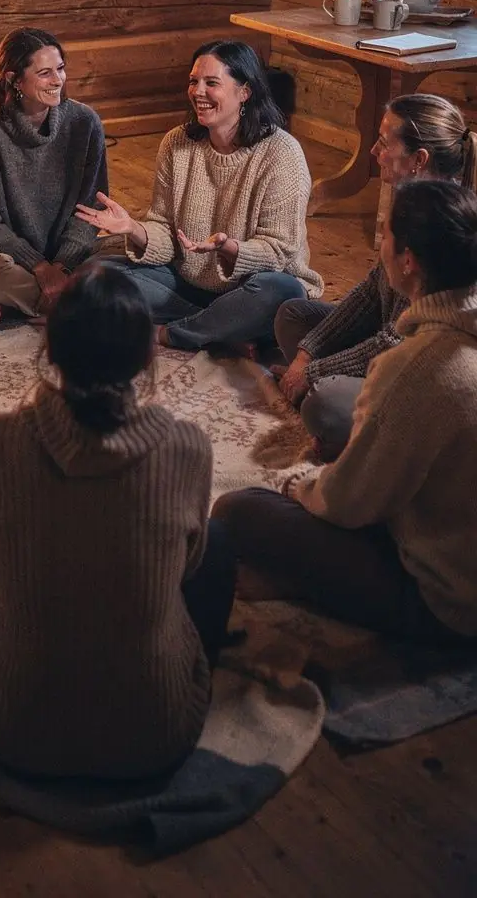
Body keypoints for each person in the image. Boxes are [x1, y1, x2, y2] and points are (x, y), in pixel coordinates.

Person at [0, 264, 236, 776]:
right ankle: (176, 669)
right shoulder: (189, 448)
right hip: (158, 732)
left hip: (12, 729)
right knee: (216, 538)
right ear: (147, 356)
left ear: (50, 352)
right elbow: (191, 565)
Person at [213, 180, 477, 641]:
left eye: (388, 239)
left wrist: (300, 487)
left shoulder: (413, 368)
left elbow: (348, 504)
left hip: (444, 604)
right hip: (450, 541)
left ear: (409, 261)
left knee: (237, 511)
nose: (382, 248)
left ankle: (304, 585)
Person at [76, 40, 322, 352]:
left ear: (245, 91)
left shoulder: (281, 153)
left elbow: (278, 252)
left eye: (211, 83)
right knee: (95, 275)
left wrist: (229, 247)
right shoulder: (176, 144)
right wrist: (133, 229)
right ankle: (224, 329)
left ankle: (171, 333)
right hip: (188, 287)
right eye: (194, 81)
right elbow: (164, 232)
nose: (198, 92)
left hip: (254, 287)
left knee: (282, 292)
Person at [274, 93, 477, 460]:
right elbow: (371, 291)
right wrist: (307, 354)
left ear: (419, 160)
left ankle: (344, 420)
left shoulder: (445, 227)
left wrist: (316, 370)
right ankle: (317, 392)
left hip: (416, 372)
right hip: (387, 341)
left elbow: (398, 343)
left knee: (325, 402)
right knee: (293, 316)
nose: (372, 151)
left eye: (385, 143)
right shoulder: (408, 200)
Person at [0, 27, 108, 317]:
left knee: (126, 260)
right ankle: (75, 306)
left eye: (60, 69)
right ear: (14, 79)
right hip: (3, 256)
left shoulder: (85, 122)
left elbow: (91, 209)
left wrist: (60, 266)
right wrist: (38, 266)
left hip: (68, 256)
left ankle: (22, 304)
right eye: (44, 73)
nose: (57, 80)